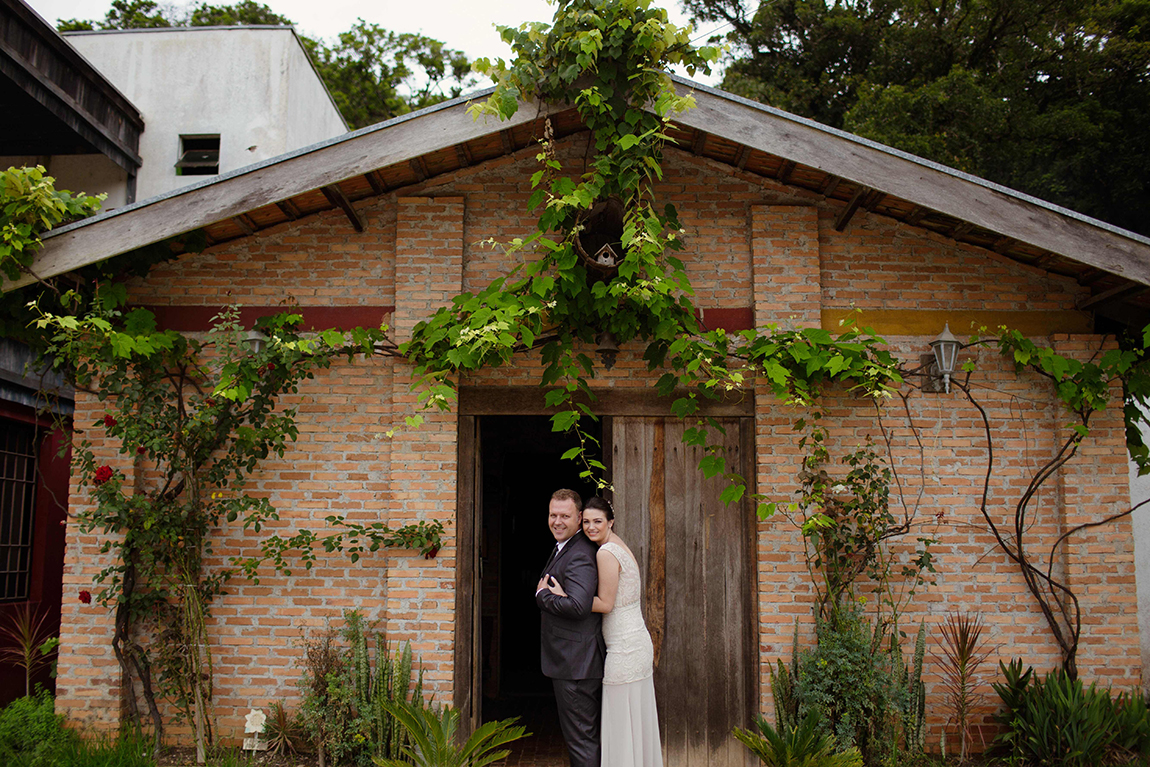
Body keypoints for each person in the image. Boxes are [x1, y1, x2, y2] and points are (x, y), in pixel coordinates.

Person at [545, 496, 663, 767]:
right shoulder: (619, 546)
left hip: (624, 649)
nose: (590, 527)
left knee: (621, 727)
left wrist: (563, 597)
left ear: (611, 521)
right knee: (634, 725)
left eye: (597, 521)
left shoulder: (605, 553)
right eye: (586, 521)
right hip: (633, 641)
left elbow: (606, 603)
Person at [536, 488, 606, 767]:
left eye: (565, 516)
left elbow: (579, 606)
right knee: (580, 738)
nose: (557, 521)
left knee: (582, 741)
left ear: (579, 517)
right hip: (573, 661)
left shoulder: (580, 553)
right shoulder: (563, 547)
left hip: (578, 664)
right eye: (553, 515)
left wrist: (543, 597)